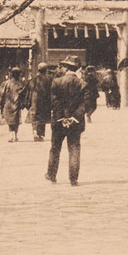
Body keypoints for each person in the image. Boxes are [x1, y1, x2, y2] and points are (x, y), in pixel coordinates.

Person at [48, 56, 87, 185]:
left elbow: (54, 102)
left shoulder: (56, 82)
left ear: (67, 68)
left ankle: (52, 175)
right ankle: (73, 179)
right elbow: (85, 104)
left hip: (59, 122)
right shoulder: (83, 84)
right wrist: (73, 117)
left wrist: (61, 118)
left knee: (55, 148)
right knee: (74, 149)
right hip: (76, 122)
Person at [0, 67, 26, 142]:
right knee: (16, 120)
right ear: (19, 75)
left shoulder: (6, 83)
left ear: (11, 74)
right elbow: (24, 95)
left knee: (10, 121)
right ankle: (15, 135)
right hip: (17, 104)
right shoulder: (21, 84)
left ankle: (11, 136)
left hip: (8, 104)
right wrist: (23, 104)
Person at [28, 62, 54, 142]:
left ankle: (35, 131)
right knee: (42, 117)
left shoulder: (34, 78)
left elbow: (30, 89)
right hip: (45, 100)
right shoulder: (49, 78)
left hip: (35, 99)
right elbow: (52, 90)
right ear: (46, 69)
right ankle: (41, 134)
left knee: (34, 116)